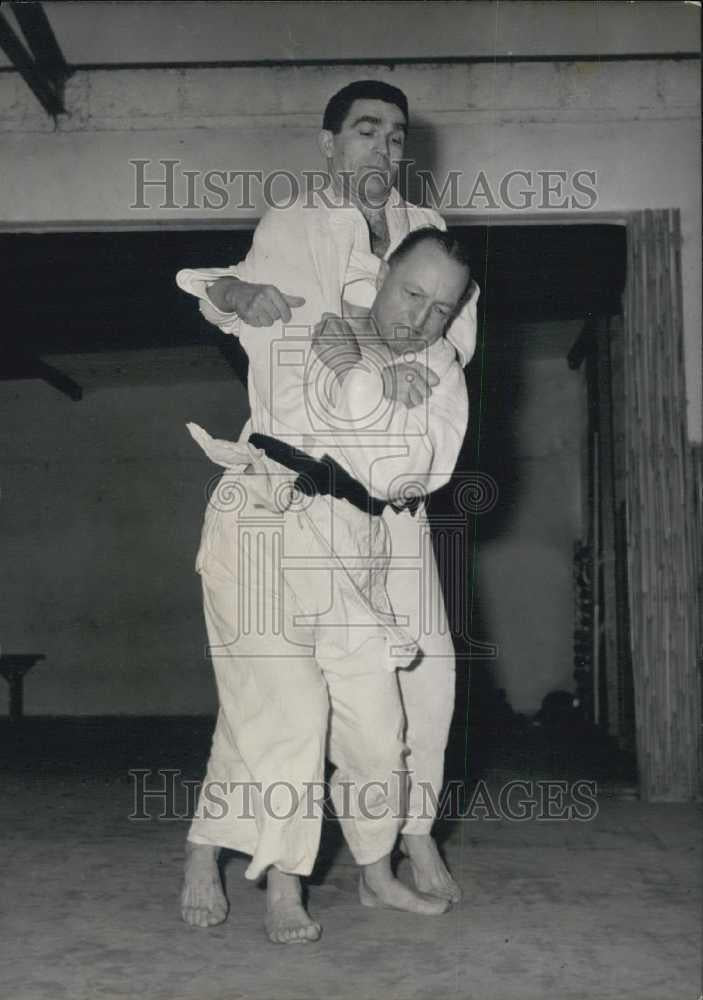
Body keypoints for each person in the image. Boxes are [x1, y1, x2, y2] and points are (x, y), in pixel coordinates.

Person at [177, 80, 480, 938]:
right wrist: (235, 297)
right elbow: (238, 299)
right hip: (288, 494)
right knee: (282, 695)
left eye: (396, 138)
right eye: (364, 131)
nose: (382, 150)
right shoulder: (294, 227)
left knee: (424, 674)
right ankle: (252, 859)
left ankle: (406, 836)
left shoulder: (428, 245)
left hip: (389, 505)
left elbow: (444, 341)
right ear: (329, 144)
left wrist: (390, 359)